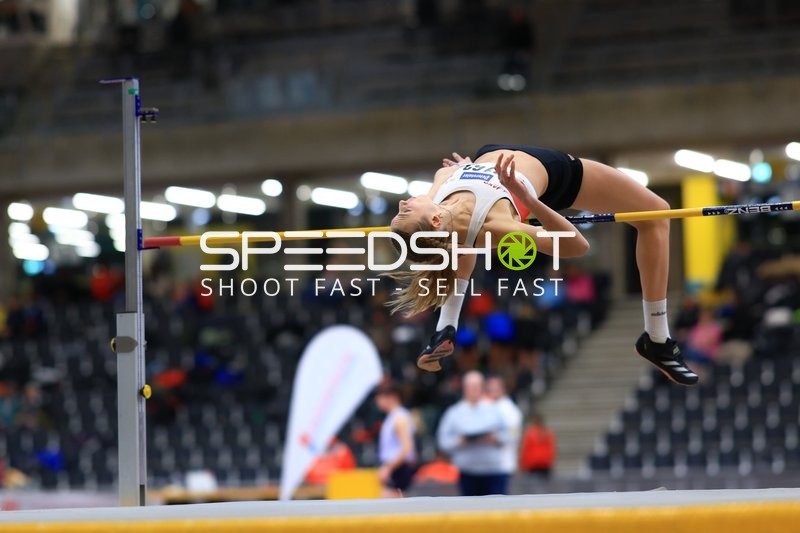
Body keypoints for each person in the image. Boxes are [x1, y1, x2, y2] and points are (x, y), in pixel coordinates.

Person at [388, 144, 698, 385]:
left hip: (488, 156)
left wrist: (464, 171)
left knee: (462, 238)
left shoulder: (438, 196)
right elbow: (578, 245)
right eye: (404, 213)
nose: (402, 205)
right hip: (554, 174)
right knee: (657, 213)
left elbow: (448, 232)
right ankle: (657, 337)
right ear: (434, 219)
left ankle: (445, 327)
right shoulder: (497, 225)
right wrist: (531, 200)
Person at [437, 371, 511, 496]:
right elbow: (442, 441)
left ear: (482, 387)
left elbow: (509, 435)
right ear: (464, 388)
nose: (473, 390)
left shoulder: (494, 409)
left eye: (476, 386)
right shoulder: (454, 413)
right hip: (467, 472)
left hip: (493, 471)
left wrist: (495, 439)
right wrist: (459, 441)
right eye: (470, 386)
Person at [374, 382, 417, 497]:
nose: (377, 402)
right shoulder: (393, 417)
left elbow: (407, 448)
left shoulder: (399, 418)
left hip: (398, 468)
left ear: (391, 397)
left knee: (389, 506)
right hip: (396, 467)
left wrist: (388, 467)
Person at [485, 376, 523, 482]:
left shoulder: (511, 410)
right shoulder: (487, 406)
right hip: (487, 465)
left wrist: (497, 438)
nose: (491, 392)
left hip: (504, 464)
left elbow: (514, 433)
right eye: (489, 389)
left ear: (503, 389)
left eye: (495, 389)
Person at [518, 412, 556, 478]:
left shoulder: (530, 433)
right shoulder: (548, 433)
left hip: (532, 463)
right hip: (545, 463)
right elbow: (552, 449)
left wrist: (522, 464)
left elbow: (525, 449)